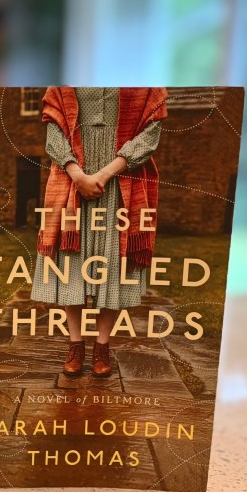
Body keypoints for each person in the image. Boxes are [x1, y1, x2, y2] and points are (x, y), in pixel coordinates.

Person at [31, 87, 167, 378]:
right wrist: (78, 175)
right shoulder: (62, 82)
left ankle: (102, 347)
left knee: (113, 265)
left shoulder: (147, 84)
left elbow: (150, 135)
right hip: (71, 181)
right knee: (71, 263)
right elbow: (54, 132)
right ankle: (76, 345)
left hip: (120, 183)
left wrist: (104, 175)